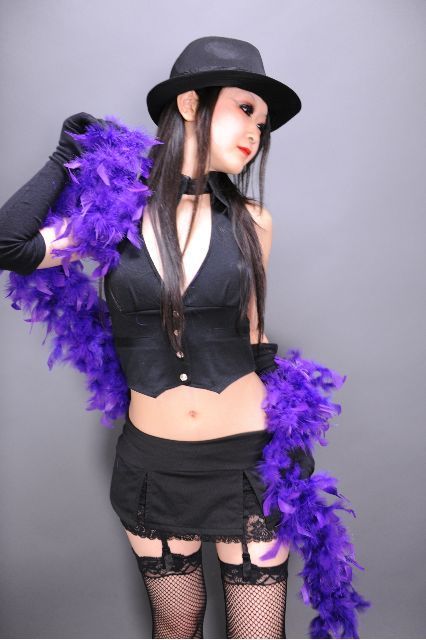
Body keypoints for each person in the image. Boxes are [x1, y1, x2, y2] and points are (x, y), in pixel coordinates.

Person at [0, 36, 369, 639]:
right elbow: (9, 245)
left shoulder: (252, 222)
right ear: (192, 104)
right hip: (153, 463)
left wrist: (289, 439)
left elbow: (255, 340)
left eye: (263, 123)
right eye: (245, 109)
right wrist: (64, 155)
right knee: (176, 627)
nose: (256, 132)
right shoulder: (110, 220)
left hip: (247, 462)